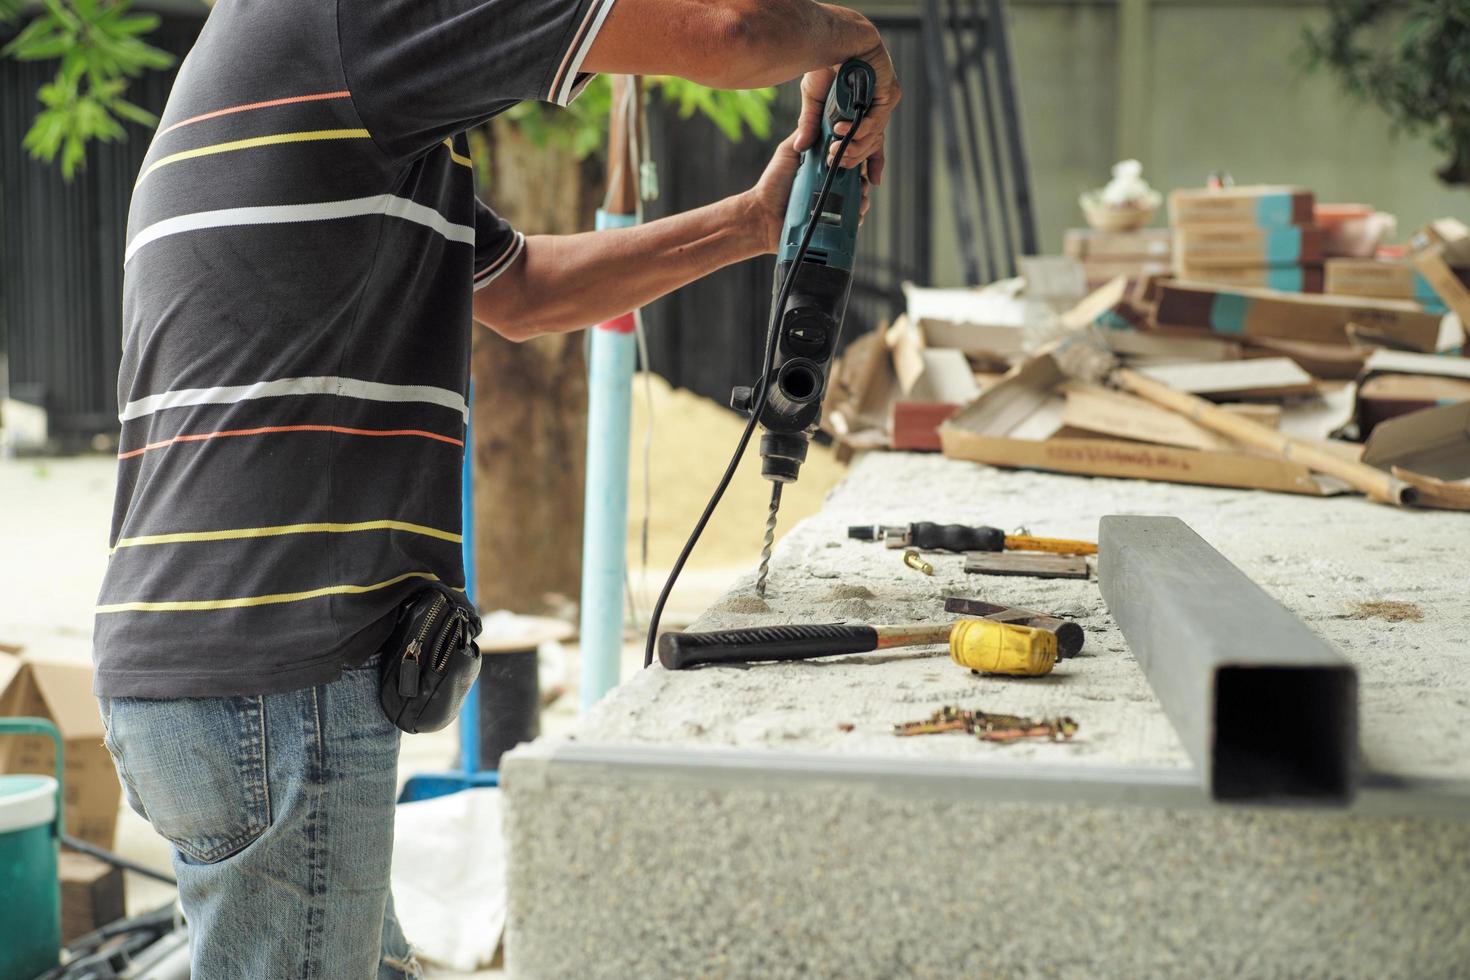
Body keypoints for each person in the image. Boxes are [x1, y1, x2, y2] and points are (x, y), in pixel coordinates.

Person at [93, 0, 898, 975]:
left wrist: (754, 224)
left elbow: (528, 295)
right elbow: (724, 33)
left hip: (213, 674)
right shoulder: (353, 18)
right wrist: (855, 39)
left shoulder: (344, 105)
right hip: (276, 678)